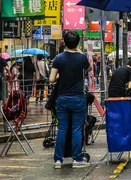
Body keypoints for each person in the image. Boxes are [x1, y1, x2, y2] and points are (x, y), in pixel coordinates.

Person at [49, 31, 92, 169]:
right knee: (76, 130)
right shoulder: (82, 58)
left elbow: (51, 79)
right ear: (78, 43)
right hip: (78, 98)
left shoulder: (58, 58)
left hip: (62, 98)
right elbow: (89, 69)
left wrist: (61, 77)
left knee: (62, 129)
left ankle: (58, 160)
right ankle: (77, 159)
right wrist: (80, 53)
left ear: (64, 42)